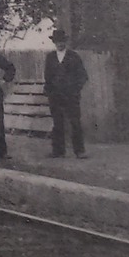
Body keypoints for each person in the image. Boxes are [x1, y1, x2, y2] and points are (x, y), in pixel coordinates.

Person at [44, 28, 89, 159]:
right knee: (57, 123)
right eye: (57, 41)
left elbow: (83, 76)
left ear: (66, 42)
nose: (60, 44)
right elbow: (47, 76)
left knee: (75, 122)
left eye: (62, 41)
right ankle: (58, 150)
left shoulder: (74, 56)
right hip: (55, 96)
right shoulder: (50, 57)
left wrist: (75, 90)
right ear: (54, 43)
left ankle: (79, 151)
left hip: (71, 96)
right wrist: (49, 91)